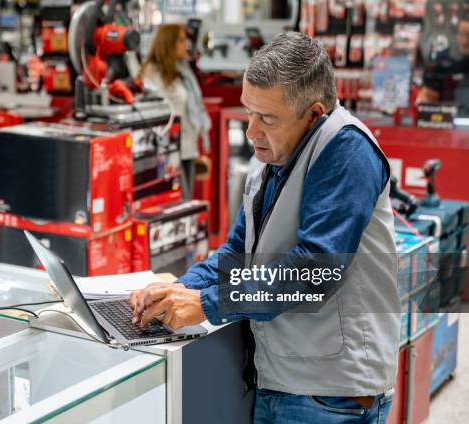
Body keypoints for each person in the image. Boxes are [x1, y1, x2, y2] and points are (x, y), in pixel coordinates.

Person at [130, 32, 400, 424]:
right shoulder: (272, 155)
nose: (250, 131)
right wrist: (180, 289)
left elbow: (315, 270)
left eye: (267, 119)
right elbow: (238, 254)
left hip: (330, 395)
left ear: (314, 113)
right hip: (279, 377)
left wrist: (206, 304)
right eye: (248, 113)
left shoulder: (347, 151)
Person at [140, 24, 211, 199]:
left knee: (187, 202)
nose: (185, 44)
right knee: (176, 202)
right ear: (167, 43)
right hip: (167, 150)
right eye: (180, 40)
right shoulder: (153, 74)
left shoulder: (183, 72)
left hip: (188, 147)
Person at [417, 5, 469, 116]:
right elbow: (426, 98)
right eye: (462, 35)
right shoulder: (443, 63)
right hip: (447, 125)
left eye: (468, 36)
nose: (465, 41)